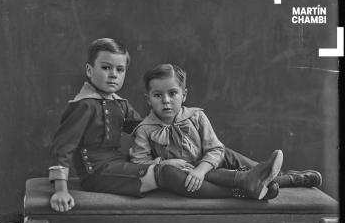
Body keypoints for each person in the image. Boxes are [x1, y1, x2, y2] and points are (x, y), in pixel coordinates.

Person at [129, 63, 322, 200]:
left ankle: (273, 174)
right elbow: (139, 163)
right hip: (186, 176)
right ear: (148, 99)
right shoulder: (145, 129)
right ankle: (274, 181)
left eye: (172, 93)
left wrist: (201, 169)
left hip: (209, 164)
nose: (166, 101)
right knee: (199, 173)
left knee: (228, 153)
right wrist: (165, 162)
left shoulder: (196, 117)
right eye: (157, 95)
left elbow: (215, 149)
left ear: (184, 95)